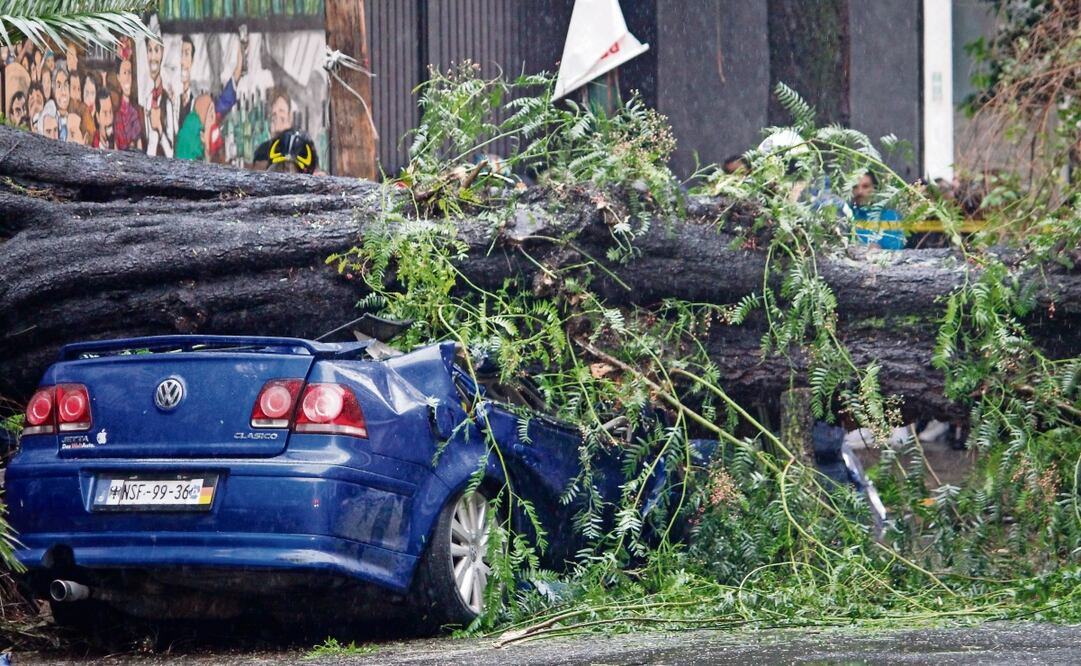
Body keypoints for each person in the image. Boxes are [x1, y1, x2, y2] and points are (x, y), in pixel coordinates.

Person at [144, 14, 175, 157]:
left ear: (162, 53)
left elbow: (171, 153)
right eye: (149, 50)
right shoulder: (147, 99)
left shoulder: (167, 101)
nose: (153, 57)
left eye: (156, 50)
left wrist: (159, 128)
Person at [851, 172, 905, 250]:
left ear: (875, 189)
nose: (859, 192)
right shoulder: (847, 215)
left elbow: (897, 244)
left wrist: (878, 247)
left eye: (865, 186)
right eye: (855, 187)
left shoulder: (890, 216)